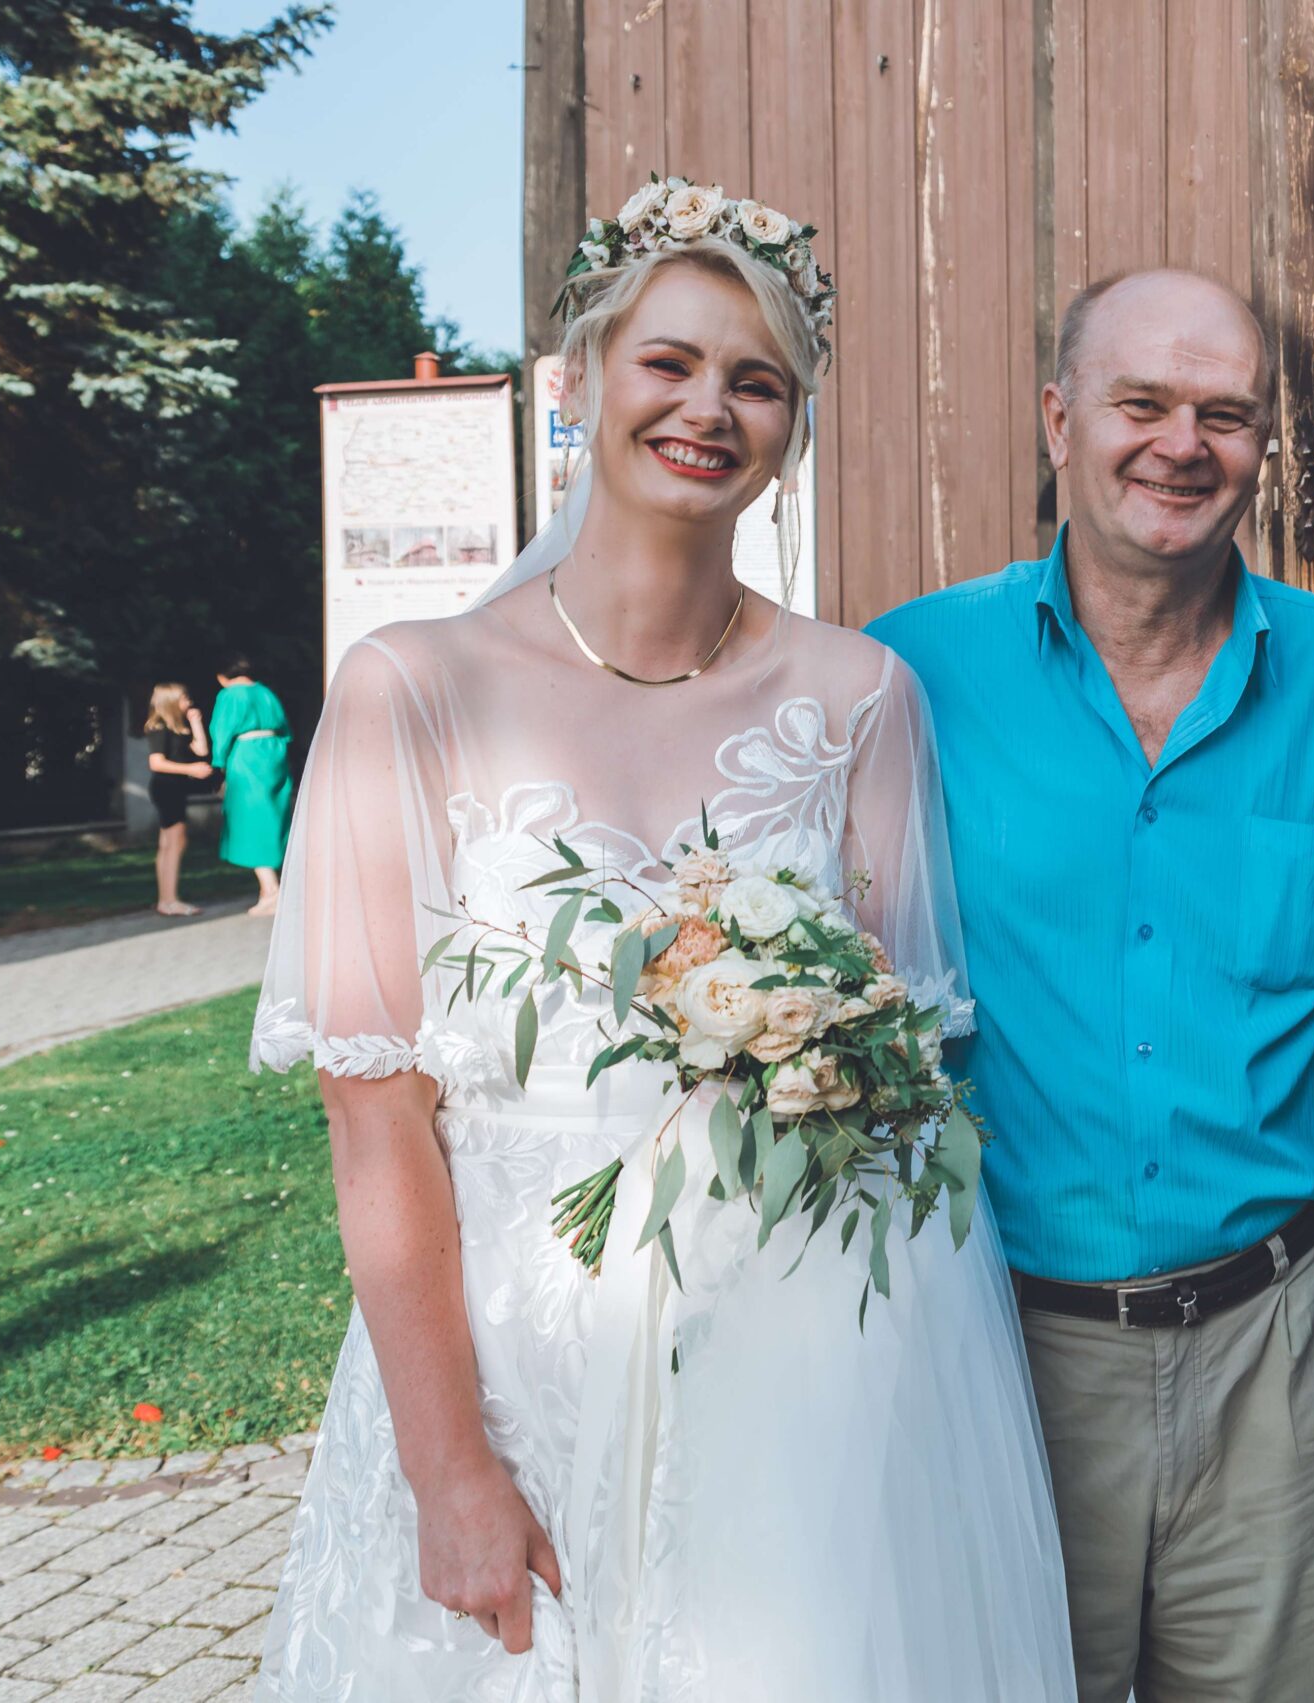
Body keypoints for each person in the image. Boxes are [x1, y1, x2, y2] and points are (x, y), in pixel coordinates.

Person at [247, 182, 1072, 1699]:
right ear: (579, 380)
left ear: (791, 429)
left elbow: (898, 1087)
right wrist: (448, 1467)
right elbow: (373, 1115)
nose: (709, 408)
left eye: (756, 381)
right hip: (510, 1359)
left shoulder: (861, 699)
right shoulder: (407, 688)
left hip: (795, 1363)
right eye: (669, 362)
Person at [870, 268, 1314, 1703]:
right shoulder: (909, 673)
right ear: (1060, 420)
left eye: (1225, 413)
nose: (1184, 444)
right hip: (1000, 1342)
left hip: (1276, 1347)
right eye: (1142, 404)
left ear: (1263, 443)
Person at [208, 660, 296, 915]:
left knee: (250, 821)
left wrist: (219, 762)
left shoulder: (230, 695)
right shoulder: (266, 692)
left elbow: (221, 730)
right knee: (273, 817)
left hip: (247, 757)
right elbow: (285, 728)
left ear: (223, 676)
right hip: (275, 754)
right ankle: (268, 890)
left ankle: (271, 889)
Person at [143, 682, 212, 917]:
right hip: (167, 788)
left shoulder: (178, 729)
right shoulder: (159, 727)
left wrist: (196, 723)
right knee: (174, 843)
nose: (188, 702)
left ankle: (166, 900)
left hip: (175, 789)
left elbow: (201, 750)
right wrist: (191, 769)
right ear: (171, 701)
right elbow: (156, 763)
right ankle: (169, 900)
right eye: (184, 698)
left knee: (170, 843)